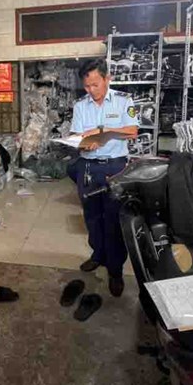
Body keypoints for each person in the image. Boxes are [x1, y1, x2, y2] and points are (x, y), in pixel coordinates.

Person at [69, 59, 139, 297]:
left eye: (95, 85)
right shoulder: (81, 105)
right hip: (88, 168)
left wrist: (103, 133)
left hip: (115, 168)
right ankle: (97, 254)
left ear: (107, 78)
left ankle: (116, 270)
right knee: (92, 217)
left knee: (114, 220)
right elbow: (77, 135)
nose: (91, 91)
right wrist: (82, 142)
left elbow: (132, 131)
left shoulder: (123, 101)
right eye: (87, 86)